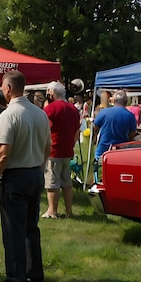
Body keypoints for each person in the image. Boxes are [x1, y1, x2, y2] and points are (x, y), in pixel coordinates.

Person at [0, 70, 51, 282]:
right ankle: (34, 273)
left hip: (16, 176)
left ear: (8, 89)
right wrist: (39, 166)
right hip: (35, 172)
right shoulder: (40, 113)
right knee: (31, 227)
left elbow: (3, 153)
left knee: (13, 230)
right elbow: (47, 147)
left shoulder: (9, 115)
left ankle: (15, 280)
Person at [41, 81, 81, 219]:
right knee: (66, 182)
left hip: (53, 150)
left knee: (52, 182)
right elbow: (77, 130)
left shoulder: (51, 108)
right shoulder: (74, 109)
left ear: (51, 93)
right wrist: (71, 144)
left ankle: (52, 211)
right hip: (67, 151)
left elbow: (42, 127)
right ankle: (69, 211)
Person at [93, 90, 137, 169]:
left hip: (103, 150)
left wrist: (95, 138)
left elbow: (95, 127)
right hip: (122, 151)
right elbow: (132, 134)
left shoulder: (104, 112)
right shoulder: (130, 116)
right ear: (126, 102)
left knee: (100, 172)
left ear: (113, 101)